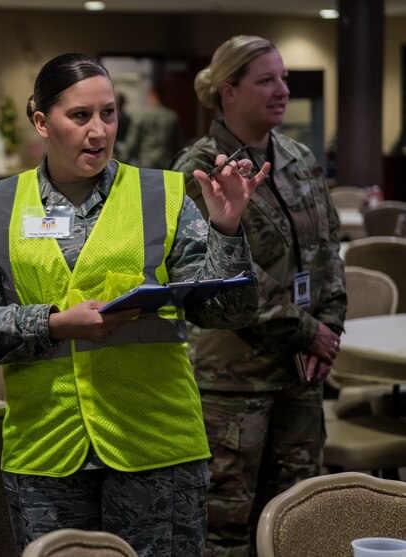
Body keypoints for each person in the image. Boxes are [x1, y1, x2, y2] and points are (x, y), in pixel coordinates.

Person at [0, 52, 269, 556]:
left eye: (109, 113)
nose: (98, 131)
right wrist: (53, 324)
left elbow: (229, 313)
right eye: (80, 116)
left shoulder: (160, 194)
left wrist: (225, 230)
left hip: (155, 445)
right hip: (47, 452)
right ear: (41, 121)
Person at [171, 35, 346, 556]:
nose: (282, 90)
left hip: (300, 372)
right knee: (225, 530)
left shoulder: (298, 157)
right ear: (228, 91)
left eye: (284, 78)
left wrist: (330, 327)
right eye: (266, 80)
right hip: (235, 381)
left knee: (298, 521)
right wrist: (311, 332)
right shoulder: (199, 169)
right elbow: (228, 276)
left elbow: (329, 251)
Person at [125, 84, 184, 169]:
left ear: (150, 95)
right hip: (165, 163)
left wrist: (122, 161)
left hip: (145, 163)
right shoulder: (172, 116)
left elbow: (132, 143)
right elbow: (179, 144)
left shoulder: (140, 115)